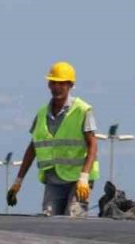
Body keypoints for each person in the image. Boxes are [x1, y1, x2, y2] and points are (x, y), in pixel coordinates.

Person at [8, 62, 100, 217]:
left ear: (70, 85)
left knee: (73, 218)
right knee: (49, 220)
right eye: (53, 83)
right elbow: (32, 149)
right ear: (49, 85)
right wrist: (18, 182)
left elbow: (93, 145)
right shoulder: (42, 113)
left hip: (78, 180)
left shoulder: (83, 110)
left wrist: (84, 177)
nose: (57, 87)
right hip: (54, 179)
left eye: (61, 83)